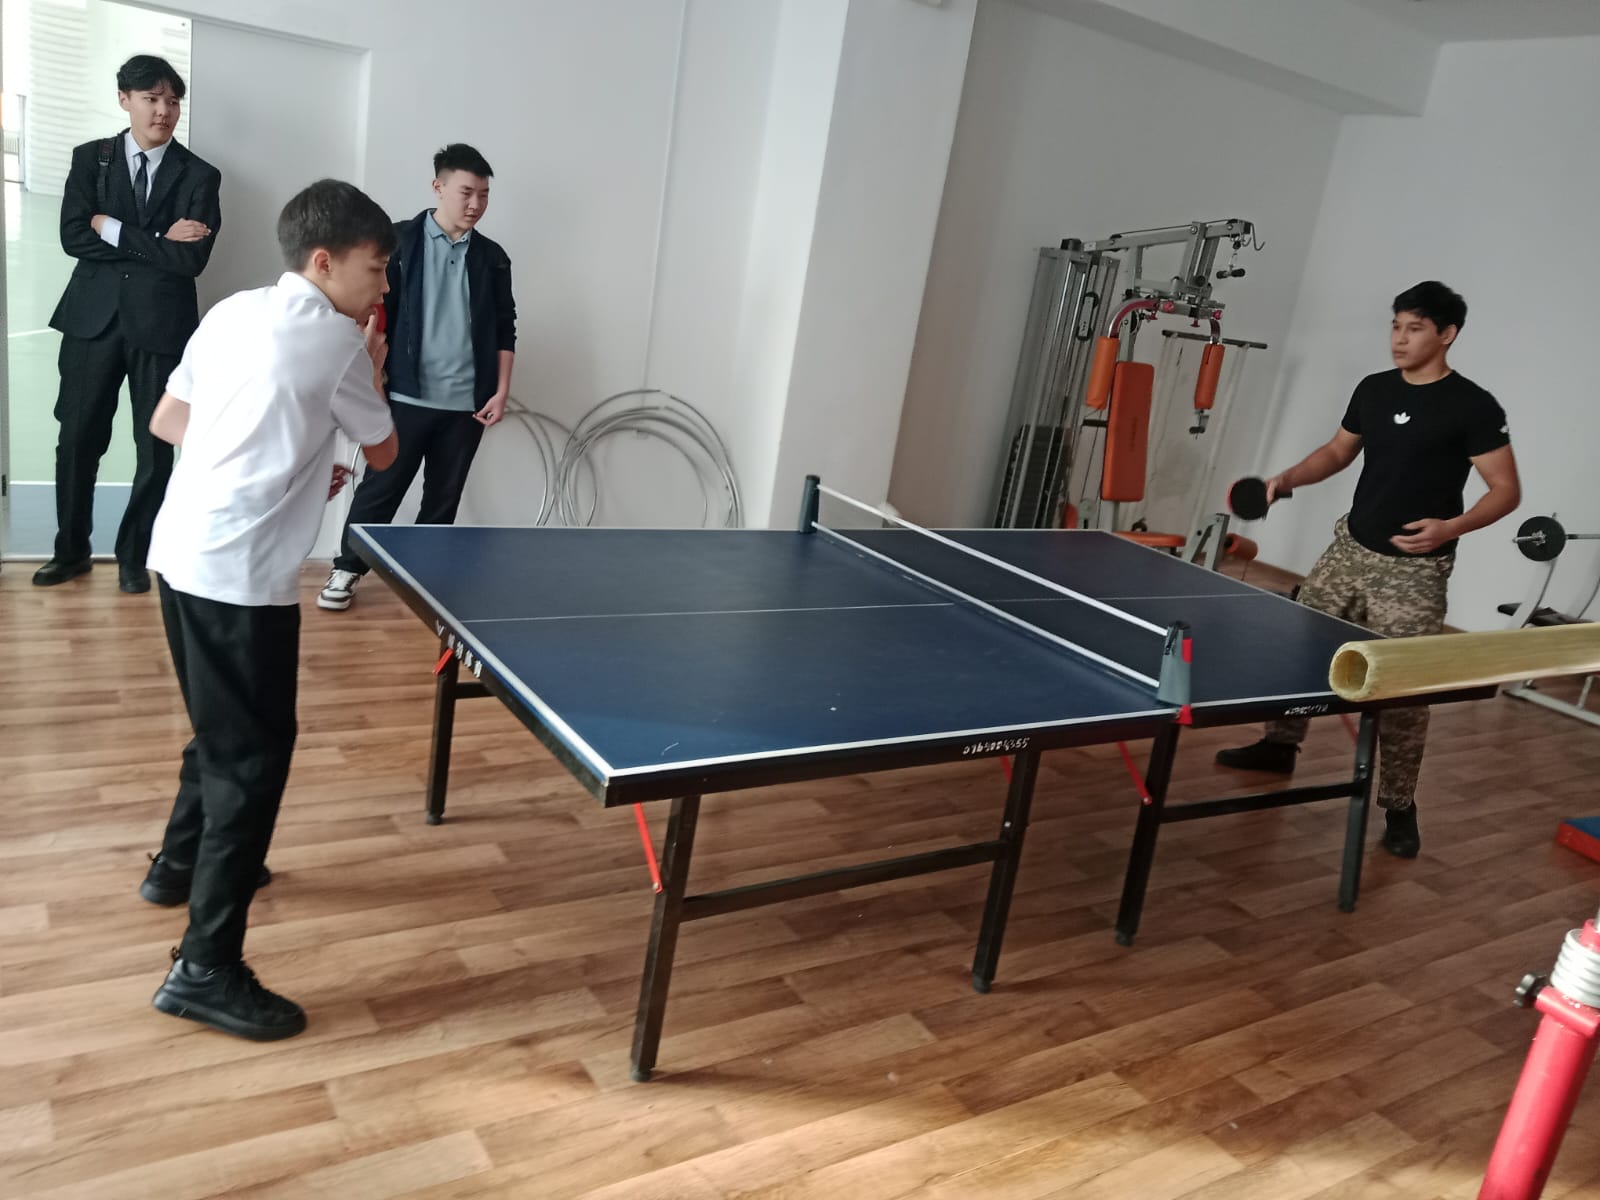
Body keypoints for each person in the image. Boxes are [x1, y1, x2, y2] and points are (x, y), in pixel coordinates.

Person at [141, 179, 400, 1040]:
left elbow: (169, 420)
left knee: (221, 732)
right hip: (241, 577)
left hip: (180, 554)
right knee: (252, 760)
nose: (383, 286)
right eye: (375, 268)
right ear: (325, 262)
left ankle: (177, 865)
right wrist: (370, 365)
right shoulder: (339, 343)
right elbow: (386, 450)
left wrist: (267, 459)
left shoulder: (232, 312)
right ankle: (204, 968)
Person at [1215, 281, 1520, 859]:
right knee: (1298, 652)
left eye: (1414, 328)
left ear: (1447, 334)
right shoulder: (1374, 389)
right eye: (1396, 326)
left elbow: (1505, 491)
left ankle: (1399, 805)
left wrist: (1448, 528)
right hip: (1349, 549)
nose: (1399, 339)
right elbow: (1338, 451)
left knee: (1403, 692)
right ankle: (1279, 745)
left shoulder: (1473, 407)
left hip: (1414, 571)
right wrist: (1286, 480)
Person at [33, 55, 223, 594]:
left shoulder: (201, 175)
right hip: (91, 321)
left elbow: (191, 260)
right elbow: (74, 236)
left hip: (161, 327)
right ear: (124, 99)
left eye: (172, 101)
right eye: (151, 99)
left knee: (155, 446)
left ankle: (135, 557)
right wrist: (159, 241)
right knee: (77, 439)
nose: (163, 111)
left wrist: (112, 228)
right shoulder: (90, 159)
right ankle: (70, 551)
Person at [317, 142, 516, 610]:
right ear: (438, 187)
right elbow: (372, 312)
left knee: (443, 500)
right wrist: (371, 383)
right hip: (405, 396)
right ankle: (346, 568)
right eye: (466, 192)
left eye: (484, 195)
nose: (475, 204)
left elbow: (505, 326)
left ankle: (424, 582)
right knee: (381, 489)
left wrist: (501, 391)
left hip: (467, 404)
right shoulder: (397, 241)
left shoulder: (492, 257)